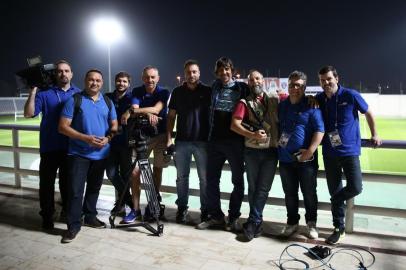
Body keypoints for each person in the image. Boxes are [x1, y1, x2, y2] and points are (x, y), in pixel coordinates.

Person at [316, 66, 382, 244]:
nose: (326, 83)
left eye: (329, 79)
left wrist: (375, 134)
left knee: (356, 187)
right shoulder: (319, 98)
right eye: (322, 80)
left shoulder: (350, 95)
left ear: (337, 78)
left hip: (350, 152)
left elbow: (368, 112)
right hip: (329, 153)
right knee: (335, 188)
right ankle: (339, 228)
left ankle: (336, 200)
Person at [59, 69, 118, 243]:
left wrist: (108, 138)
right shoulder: (75, 100)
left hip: (101, 155)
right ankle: (73, 226)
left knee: (94, 189)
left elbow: (114, 125)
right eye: (91, 80)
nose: (95, 83)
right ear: (85, 81)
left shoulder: (107, 101)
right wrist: (86, 138)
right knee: (76, 192)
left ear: (102, 83)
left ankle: (90, 217)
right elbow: (62, 127)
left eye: (98, 80)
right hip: (78, 154)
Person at [23, 60, 80, 230]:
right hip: (49, 147)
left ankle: (67, 213)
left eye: (66, 70)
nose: (63, 74)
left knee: (68, 184)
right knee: (46, 185)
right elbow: (28, 113)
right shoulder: (44, 93)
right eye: (60, 71)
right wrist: (33, 90)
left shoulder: (78, 93)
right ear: (55, 74)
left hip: (71, 147)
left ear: (72, 74)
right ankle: (47, 215)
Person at [196, 57, 249, 231]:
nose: (224, 73)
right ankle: (216, 216)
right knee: (211, 180)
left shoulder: (242, 88)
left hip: (235, 142)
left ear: (232, 70)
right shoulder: (215, 87)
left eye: (227, 69)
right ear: (217, 73)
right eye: (220, 70)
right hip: (215, 141)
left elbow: (260, 96)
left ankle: (233, 217)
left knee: (238, 182)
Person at [230, 70, 279, 241]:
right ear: (248, 83)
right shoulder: (244, 102)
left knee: (263, 188)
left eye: (257, 78)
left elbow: (296, 98)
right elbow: (234, 125)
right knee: (253, 188)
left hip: (272, 151)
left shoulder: (274, 98)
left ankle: (254, 221)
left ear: (263, 80)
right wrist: (253, 135)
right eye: (251, 80)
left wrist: (312, 99)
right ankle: (255, 222)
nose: (254, 82)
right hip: (251, 151)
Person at [278, 71, 324, 239]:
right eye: (292, 85)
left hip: (306, 160)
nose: (294, 88)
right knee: (289, 193)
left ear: (304, 88)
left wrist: (310, 151)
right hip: (285, 159)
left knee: (309, 193)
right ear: (288, 86)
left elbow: (320, 130)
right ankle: (292, 222)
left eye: (298, 85)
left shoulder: (312, 105)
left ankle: (311, 223)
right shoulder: (282, 105)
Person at [121, 66, 170, 223]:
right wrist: (146, 113)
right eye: (147, 77)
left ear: (158, 78)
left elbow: (157, 109)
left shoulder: (163, 92)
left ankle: (153, 204)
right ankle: (135, 210)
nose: (150, 80)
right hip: (142, 136)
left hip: (160, 136)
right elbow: (135, 108)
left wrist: (138, 111)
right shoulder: (136, 91)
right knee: (135, 172)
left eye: (153, 77)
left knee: (157, 170)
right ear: (143, 78)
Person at [167, 59, 211, 224]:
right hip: (182, 142)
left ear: (199, 73)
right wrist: (169, 139)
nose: (191, 75)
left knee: (205, 179)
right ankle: (182, 208)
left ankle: (205, 210)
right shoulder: (177, 92)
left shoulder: (207, 91)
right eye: (188, 72)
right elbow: (171, 117)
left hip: (203, 142)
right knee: (181, 178)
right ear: (184, 74)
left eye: (194, 72)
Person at [105, 72, 134, 215]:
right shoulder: (107, 97)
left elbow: (136, 110)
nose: (121, 83)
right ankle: (128, 200)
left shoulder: (132, 99)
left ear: (129, 84)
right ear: (115, 82)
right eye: (118, 81)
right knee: (111, 173)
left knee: (125, 175)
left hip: (126, 143)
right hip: (110, 142)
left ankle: (121, 204)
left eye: (124, 81)